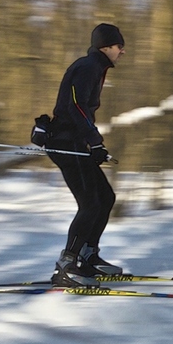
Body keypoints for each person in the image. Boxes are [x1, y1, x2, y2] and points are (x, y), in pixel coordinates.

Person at [41, 23, 127, 287]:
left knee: (104, 197)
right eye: (119, 47)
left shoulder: (94, 68)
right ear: (106, 47)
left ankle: (88, 257)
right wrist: (95, 141)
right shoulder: (88, 67)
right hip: (66, 142)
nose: (122, 52)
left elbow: (80, 111)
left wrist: (94, 145)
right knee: (90, 203)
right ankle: (68, 264)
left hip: (77, 142)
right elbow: (75, 107)